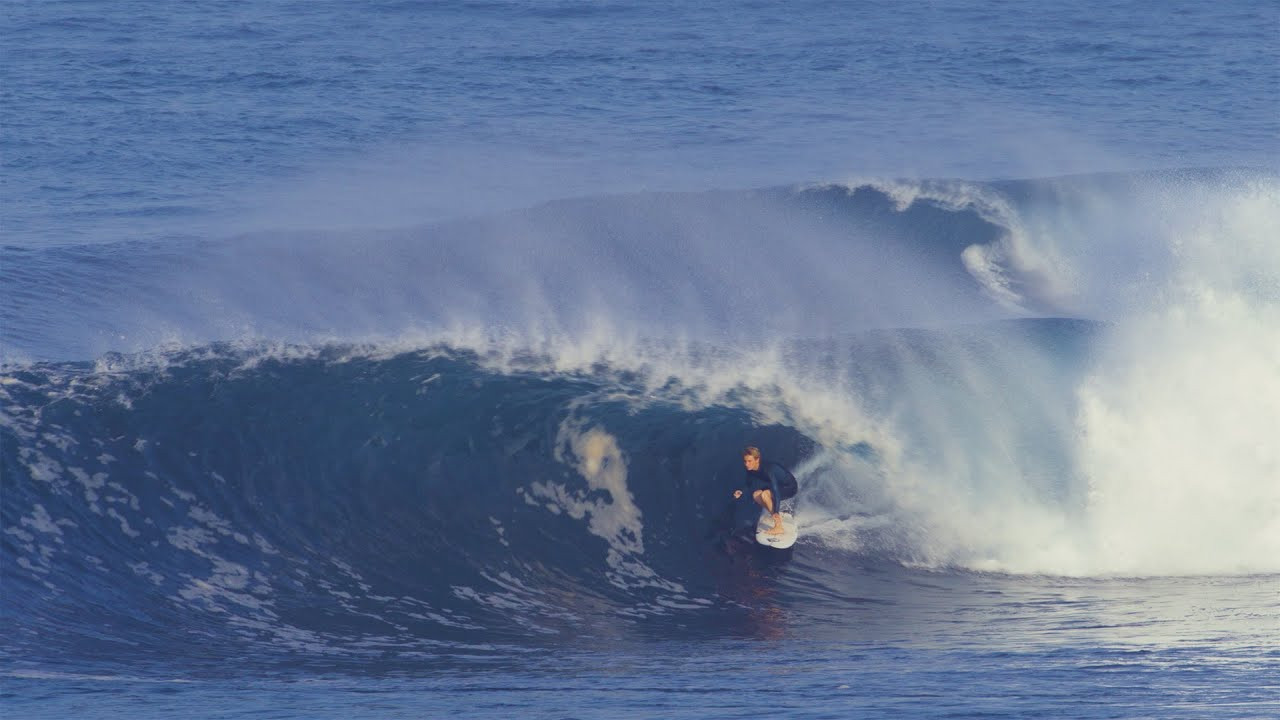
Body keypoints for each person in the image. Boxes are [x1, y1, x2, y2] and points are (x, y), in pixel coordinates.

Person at [732, 446, 798, 536]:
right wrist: (741, 491)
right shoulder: (751, 469)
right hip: (778, 487)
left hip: (790, 487)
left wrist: (776, 510)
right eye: (745, 461)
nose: (746, 464)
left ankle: (778, 527)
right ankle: (775, 516)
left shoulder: (768, 469)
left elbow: (776, 491)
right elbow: (749, 484)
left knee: (764, 495)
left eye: (749, 461)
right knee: (756, 495)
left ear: (757, 460)